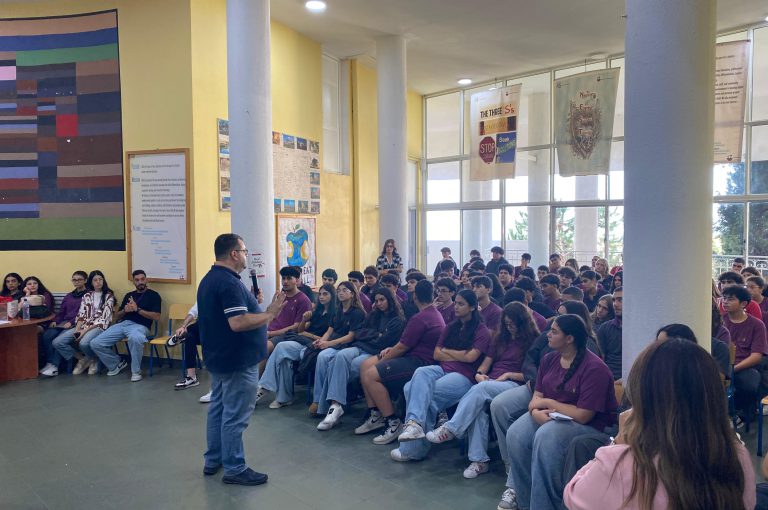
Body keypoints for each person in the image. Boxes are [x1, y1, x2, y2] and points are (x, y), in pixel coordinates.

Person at [564, 339, 755, 510]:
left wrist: (618, 443)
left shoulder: (621, 463)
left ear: (643, 395)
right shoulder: (736, 456)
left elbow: (573, 496)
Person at [496, 314, 617, 510]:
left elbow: (583, 415)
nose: (548, 335)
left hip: (590, 426)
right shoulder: (549, 359)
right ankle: (525, 502)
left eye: (554, 331)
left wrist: (548, 402)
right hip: (552, 417)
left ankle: (545, 505)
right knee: (516, 433)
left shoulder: (595, 368)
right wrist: (535, 412)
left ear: (569, 338)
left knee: (547, 435)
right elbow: (536, 398)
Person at [197, 233, 285, 486]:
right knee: (235, 415)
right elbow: (237, 322)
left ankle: (214, 459)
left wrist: (253, 304)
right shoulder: (229, 283)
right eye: (244, 251)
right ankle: (235, 467)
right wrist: (269, 313)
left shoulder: (211, 278)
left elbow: (231, 314)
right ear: (234, 254)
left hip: (220, 357)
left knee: (218, 409)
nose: (246, 255)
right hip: (237, 360)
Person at [426, 302, 539, 479]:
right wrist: (479, 374)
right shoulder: (500, 339)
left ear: (522, 322)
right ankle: (479, 461)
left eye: (513, 324)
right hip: (490, 382)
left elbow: (534, 375)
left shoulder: (533, 341)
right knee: (478, 408)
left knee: (481, 390)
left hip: (514, 384)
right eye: (507, 324)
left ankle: (452, 428)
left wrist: (509, 374)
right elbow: (486, 364)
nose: (510, 328)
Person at [390, 289, 491, 462]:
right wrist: (460, 354)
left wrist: (448, 352)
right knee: (418, 375)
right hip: (442, 369)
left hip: (463, 375)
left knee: (423, 395)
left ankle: (414, 450)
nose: (456, 307)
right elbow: (437, 354)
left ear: (473, 307)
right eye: (456, 303)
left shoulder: (481, 330)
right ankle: (414, 425)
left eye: (461, 304)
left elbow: (471, 358)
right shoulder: (451, 326)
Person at [356, 280, 446, 444]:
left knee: (370, 374)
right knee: (365, 365)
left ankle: (393, 422)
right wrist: (391, 349)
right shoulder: (432, 313)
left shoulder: (421, 318)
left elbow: (402, 347)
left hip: (420, 362)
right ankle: (375, 414)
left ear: (415, 296)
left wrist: (382, 362)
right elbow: (404, 344)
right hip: (414, 356)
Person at [316, 288, 405, 430]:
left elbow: (384, 341)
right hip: (360, 346)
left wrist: (371, 335)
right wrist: (376, 334)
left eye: (382, 300)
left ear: (390, 300)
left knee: (338, 365)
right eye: (376, 300)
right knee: (339, 356)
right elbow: (359, 333)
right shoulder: (374, 314)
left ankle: (334, 407)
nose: (379, 303)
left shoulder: (397, 320)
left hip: (375, 353)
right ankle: (335, 406)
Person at [258, 284, 336, 409]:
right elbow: (300, 330)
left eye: (325, 294)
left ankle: (270, 389)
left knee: (283, 355)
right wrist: (304, 320)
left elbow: (329, 337)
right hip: (305, 342)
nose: (321, 297)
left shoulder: (335, 313)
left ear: (332, 296)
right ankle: (279, 395)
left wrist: (309, 335)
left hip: (318, 346)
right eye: (320, 294)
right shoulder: (317, 311)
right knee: (282, 349)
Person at [89, 269, 162, 382]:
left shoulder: (154, 295)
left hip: (141, 326)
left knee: (135, 338)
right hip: (123, 324)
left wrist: (138, 310)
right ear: (133, 282)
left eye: (142, 279)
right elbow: (117, 316)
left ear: (146, 280)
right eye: (137, 280)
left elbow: (157, 317)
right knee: (95, 343)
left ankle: (136, 372)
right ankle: (116, 363)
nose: (140, 282)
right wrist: (125, 310)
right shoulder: (129, 295)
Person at [310, 280, 367, 415]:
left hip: (350, 346)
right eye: (339, 290)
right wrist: (321, 341)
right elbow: (329, 331)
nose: (341, 293)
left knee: (332, 359)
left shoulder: (358, 313)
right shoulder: (337, 310)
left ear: (352, 294)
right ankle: (318, 400)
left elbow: (351, 337)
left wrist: (328, 344)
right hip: (336, 343)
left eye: (344, 290)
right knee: (322, 356)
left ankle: (331, 402)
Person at [46, 270, 115, 377]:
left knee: (83, 343)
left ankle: (93, 359)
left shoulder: (108, 296)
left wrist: (83, 331)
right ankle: (85, 359)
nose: (98, 282)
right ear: (91, 282)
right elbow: (81, 315)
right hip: (83, 325)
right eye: (95, 280)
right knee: (58, 342)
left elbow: (104, 318)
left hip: (99, 326)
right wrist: (78, 329)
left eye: (100, 279)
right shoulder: (87, 295)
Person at [721, 284, 768, 425]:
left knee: (750, 383)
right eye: (724, 298)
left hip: (743, 366)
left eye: (731, 299)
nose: (725, 302)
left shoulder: (757, 325)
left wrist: (733, 369)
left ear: (743, 304)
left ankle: (745, 414)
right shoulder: (719, 321)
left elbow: (756, 356)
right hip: (721, 364)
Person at [38, 271, 88, 374]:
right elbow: (62, 312)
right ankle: (50, 362)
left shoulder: (89, 295)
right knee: (47, 335)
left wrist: (71, 322)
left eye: (79, 279)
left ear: (85, 280)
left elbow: (86, 313)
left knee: (58, 339)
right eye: (74, 280)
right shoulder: (69, 296)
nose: (77, 282)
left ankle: (55, 366)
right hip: (64, 322)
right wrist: (55, 321)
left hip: (78, 323)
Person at [266, 266, 314, 350]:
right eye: (283, 278)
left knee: (263, 348)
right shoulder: (281, 297)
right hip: (269, 331)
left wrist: (270, 334)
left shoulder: (303, 300)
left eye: (289, 278)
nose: (285, 281)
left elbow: (296, 327)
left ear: (297, 280)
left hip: (286, 335)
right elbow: (271, 316)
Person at [170, 303, 204, 390]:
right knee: (189, 336)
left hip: (217, 330)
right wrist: (183, 326)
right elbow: (193, 312)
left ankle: (180, 336)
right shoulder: (202, 296)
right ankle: (191, 378)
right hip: (202, 330)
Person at [597, 287, 623, 381]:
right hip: (610, 377)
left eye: (620, 300)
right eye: (614, 300)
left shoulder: (639, 328)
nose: (615, 304)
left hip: (634, 377)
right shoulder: (605, 327)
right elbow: (601, 358)